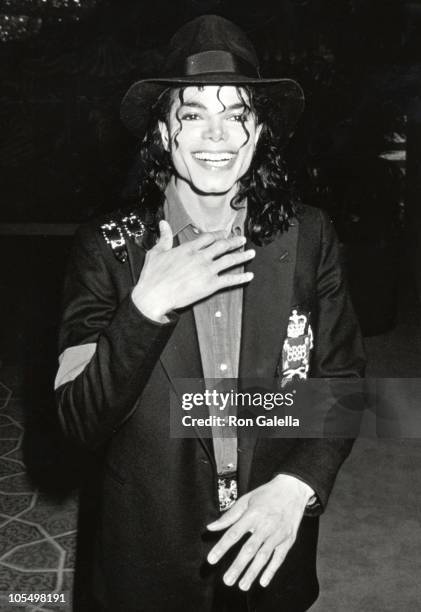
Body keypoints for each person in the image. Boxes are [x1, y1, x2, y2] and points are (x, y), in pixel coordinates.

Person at [54, 14, 366, 612]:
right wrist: (145, 308)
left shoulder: (307, 236)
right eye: (193, 114)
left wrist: (297, 486)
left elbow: (343, 382)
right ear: (165, 135)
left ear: (256, 137)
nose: (216, 136)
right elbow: (77, 421)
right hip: (149, 555)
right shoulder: (109, 247)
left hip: (269, 546)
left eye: (236, 115)